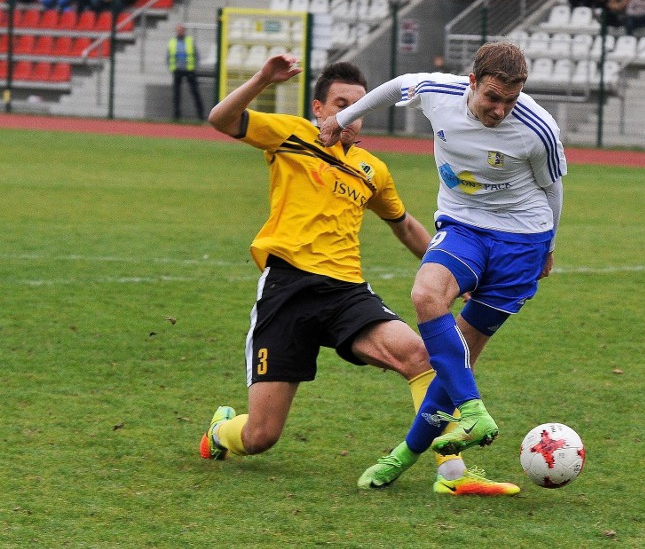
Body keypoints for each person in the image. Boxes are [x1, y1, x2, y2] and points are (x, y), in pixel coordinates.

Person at [200, 54, 521, 497]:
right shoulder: (292, 135)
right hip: (287, 290)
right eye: (339, 104)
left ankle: (452, 472)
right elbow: (221, 119)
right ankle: (221, 431)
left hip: (346, 293)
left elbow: (405, 226)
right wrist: (261, 78)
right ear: (318, 108)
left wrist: (456, 274)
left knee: (422, 357)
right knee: (260, 437)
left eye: (358, 106)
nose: (348, 116)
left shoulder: (373, 170)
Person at [320, 41, 567, 490]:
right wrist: (337, 120)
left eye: (510, 101)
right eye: (492, 97)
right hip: (463, 226)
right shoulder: (438, 92)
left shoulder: (538, 128)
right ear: (471, 82)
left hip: (521, 240)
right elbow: (395, 86)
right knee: (424, 295)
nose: (499, 110)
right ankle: (473, 413)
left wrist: (548, 245)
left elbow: (552, 191)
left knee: (459, 357)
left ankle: (401, 457)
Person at [167, 23, 206, 121]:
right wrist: (171, 68)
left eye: (181, 30)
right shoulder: (172, 42)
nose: (180, 32)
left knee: (195, 92)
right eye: (178, 30)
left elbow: (196, 55)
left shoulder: (190, 41)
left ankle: (201, 115)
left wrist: (194, 67)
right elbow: (168, 56)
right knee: (176, 94)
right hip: (177, 70)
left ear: (184, 31)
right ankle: (176, 115)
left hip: (190, 70)